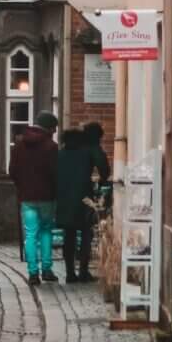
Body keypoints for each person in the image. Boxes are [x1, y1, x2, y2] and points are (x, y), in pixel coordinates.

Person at [10, 108, 60, 287]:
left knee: (30, 234)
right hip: (47, 197)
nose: (55, 132)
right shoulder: (51, 147)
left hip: (27, 197)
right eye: (54, 128)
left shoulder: (19, 143)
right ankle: (46, 269)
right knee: (46, 230)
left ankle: (33, 273)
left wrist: (22, 186)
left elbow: (12, 171)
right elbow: (56, 174)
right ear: (48, 128)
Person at [56, 119, 110, 282]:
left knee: (69, 235)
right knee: (86, 233)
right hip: (84, 198)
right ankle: (84, 271)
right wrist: (101, 182)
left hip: (64, 197)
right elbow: (104, 168)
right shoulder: (89, 150)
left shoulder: (61, 153)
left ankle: (70, 273)